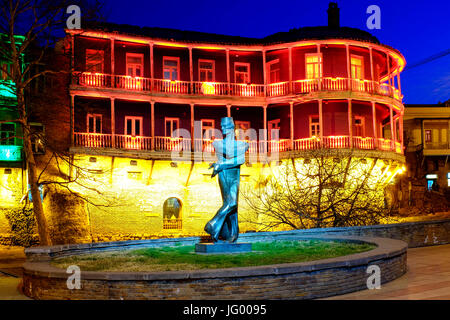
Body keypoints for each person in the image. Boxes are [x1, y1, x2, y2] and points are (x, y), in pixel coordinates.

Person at [204, 117, 249, 242]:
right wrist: (240, 151)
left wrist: (221, 164)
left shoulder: (241, 144)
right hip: (223, 175)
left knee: (233, 204)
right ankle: (230, 233)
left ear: (232, 127)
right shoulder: (218, 143)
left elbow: (240, 160)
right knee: (230, 203)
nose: (223, 128)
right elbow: (231, 154)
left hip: (234, 175)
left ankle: (215, 226)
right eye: (221, 126)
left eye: (225, 126)